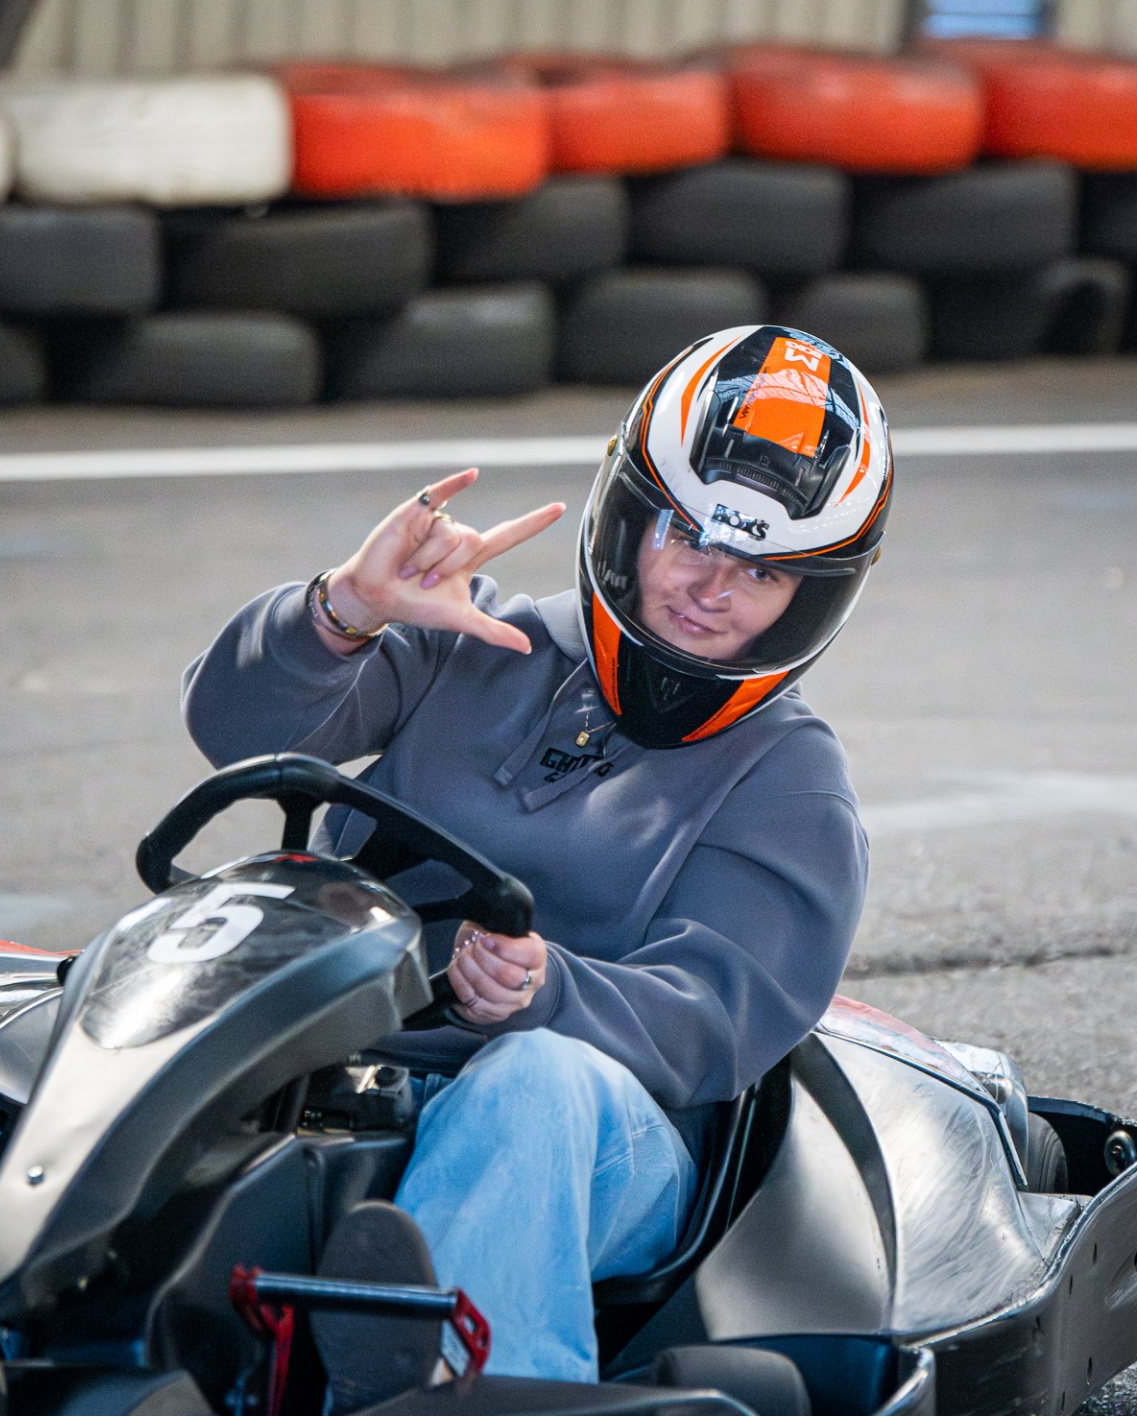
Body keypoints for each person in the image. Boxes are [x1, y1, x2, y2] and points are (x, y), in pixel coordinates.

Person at [181, 325, 893, 1394]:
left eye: (763, 570)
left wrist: (548, 991)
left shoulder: (787, 774)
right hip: (337, 1058)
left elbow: (719, 1018)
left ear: (814, 595)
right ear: (631, 520)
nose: (711, 587)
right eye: (688, 538)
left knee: (532, 1080)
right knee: (150, 974)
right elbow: (237, 731)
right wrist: (345, 613)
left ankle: (456, 1380)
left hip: (603, 1138)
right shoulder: (467, 637)